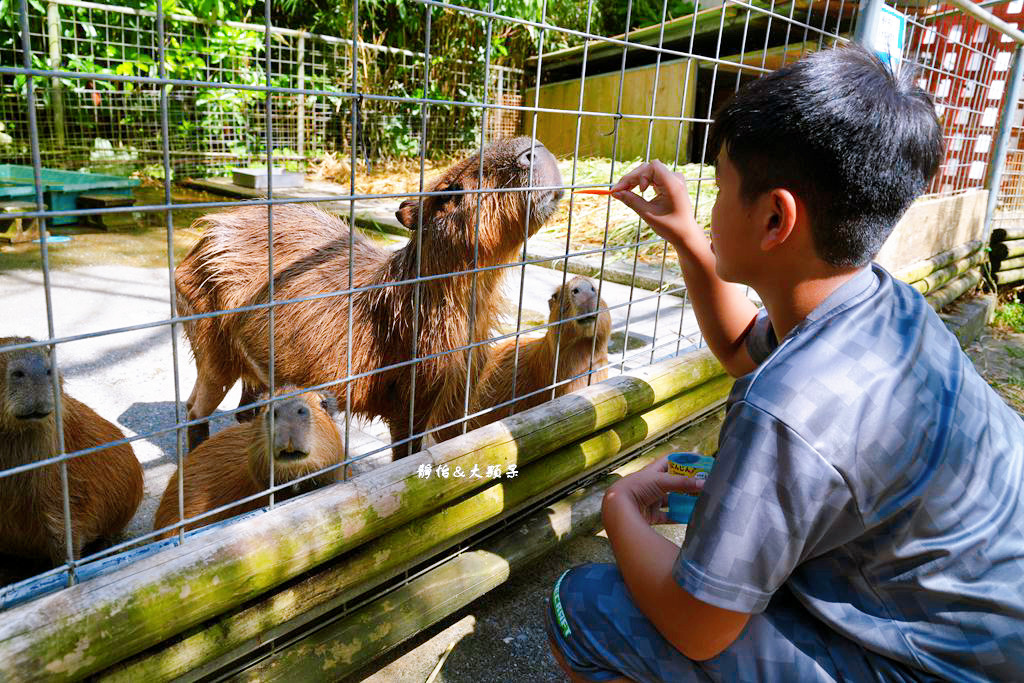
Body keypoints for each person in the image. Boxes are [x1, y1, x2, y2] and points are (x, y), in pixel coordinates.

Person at [546, 45, 1024, 682]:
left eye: (719, 187)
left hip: (932, 670)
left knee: (579, 605)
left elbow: (698, 627)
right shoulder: (881, 305)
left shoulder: (784, 410)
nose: (709, 204)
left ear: (775, 217)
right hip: (979, 631)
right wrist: (691, 235)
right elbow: (742, 347)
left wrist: (617, 508)